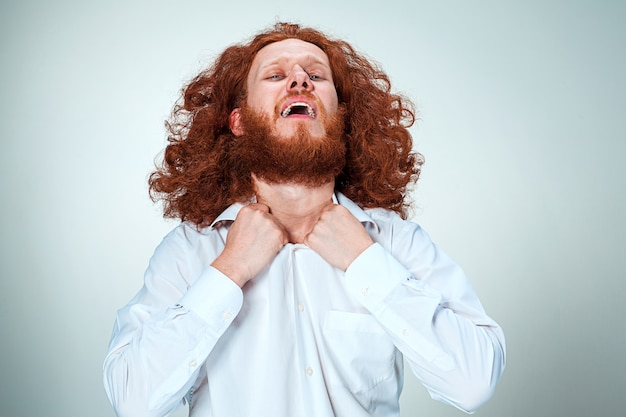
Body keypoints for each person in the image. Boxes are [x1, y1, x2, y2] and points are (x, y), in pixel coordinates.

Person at [103, 22, 505, 417]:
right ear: (238, 121)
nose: (299, 81)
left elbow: (473, 383)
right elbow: (133, 400)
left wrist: (366, 263)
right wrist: (230, 270)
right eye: (276, 74)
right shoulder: (191, 250)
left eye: (315, 74)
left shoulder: (395, 242)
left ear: (342, 118)